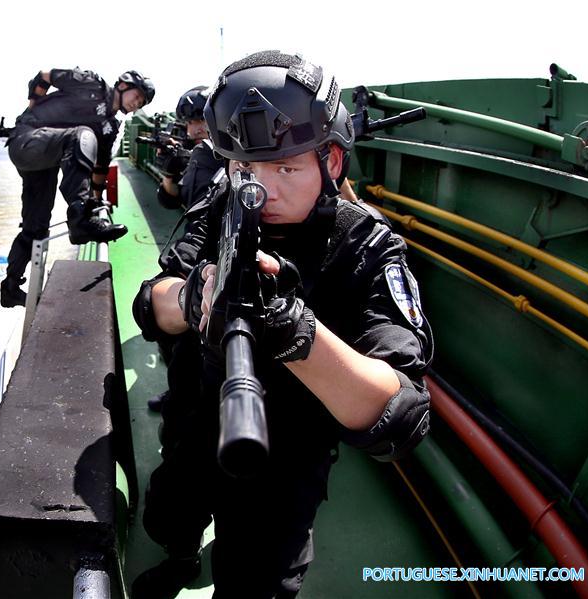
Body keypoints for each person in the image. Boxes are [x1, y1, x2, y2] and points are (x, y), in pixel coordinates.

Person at [131, 50, 433, 598]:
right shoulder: (222, 204)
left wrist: (298, 334)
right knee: (168, 516)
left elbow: (401, 414)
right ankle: (180, 557)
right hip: (196, 419)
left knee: (259, 584)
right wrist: (194, 295)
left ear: (333, 162)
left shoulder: (364, 246)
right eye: (245, 168)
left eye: (286, 167)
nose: (260, 189)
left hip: (287, 459)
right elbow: (149, 304)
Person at [1, 67, 155, 307]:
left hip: (46, 160)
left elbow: (100, 170)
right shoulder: (91, 84)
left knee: (36, 227)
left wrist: (96, 202)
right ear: (124, 85)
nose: (137, 104)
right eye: (137, 96)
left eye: (141, 103)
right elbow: (44, 75)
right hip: (27, 138)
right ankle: (78, 220)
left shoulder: (109, 128)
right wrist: (34, 104)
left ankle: (10, 287)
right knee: (82, 134)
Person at [147, 86, 226, 413]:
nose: (194, 128)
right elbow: (172, 198)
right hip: (196, 246)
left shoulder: (228, 153)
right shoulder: (196, 153)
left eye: (199, 120)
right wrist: (169, 169)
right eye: (189, 122)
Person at [155, 86, 225, 212]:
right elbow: (172, 201)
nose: (194, 131)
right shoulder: (193, 155)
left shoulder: (237, 157)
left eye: (202, 120)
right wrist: (168, 175)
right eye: (189, 123)